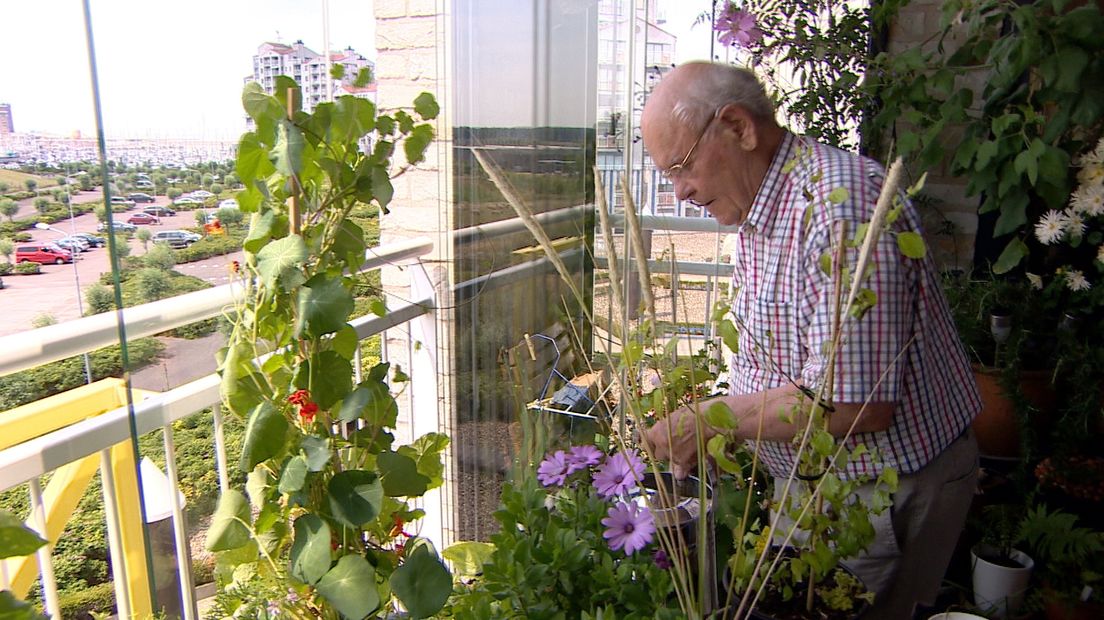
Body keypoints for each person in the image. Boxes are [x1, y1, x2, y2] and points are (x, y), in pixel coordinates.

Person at [640, 62, 981, 619]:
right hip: (817, 483)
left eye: (681, 166)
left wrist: (709, 420)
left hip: (880, 490)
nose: (680, 193)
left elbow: (853, 403)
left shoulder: (839, 207)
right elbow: (785, 360)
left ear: (738, 127)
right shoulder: (763, 205)